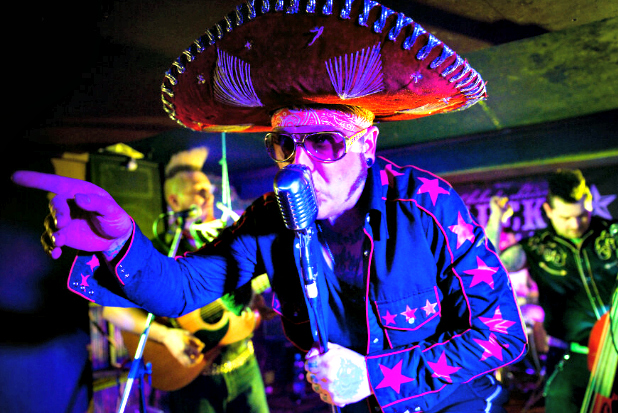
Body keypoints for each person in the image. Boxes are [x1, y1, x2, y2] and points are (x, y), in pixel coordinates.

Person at [12, 3, 528, 412]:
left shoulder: (427, 206)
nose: (299, 164)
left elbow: (502, 335)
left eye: (325, 142)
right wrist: (119, 241)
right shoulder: (269, 218)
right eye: (285, 144)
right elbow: (183, 288)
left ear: (368, 144)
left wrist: (375, 376)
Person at [486, 169, 618, 413]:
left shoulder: (617, 233)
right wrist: (496, 219)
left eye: (582, 215)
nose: (575, 224)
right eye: (565, 217)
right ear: (549, 210)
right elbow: (488, 267)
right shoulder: (536, 246)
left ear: (590, 202)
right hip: (572, 355)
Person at [101, 147, 270, 413]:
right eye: (198, 191)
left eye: (209, 190)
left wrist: (253, 301)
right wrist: (167, 335)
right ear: (174, 200)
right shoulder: (157, 252)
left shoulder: (230, 240)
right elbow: (112, 311)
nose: (208, 196)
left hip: (244, 365)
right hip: (190, 378)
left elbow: (247, 292)